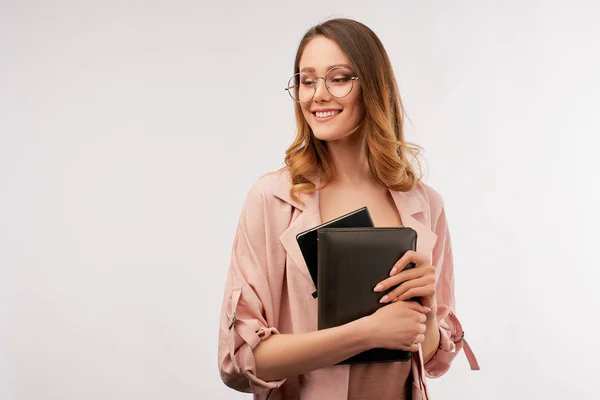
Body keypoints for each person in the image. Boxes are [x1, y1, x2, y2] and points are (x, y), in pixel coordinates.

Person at [217, 18, 479, 400]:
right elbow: (240, 361)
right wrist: (366, 332)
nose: (317, 95)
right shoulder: (272, 199)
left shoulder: (425, 204)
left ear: (373, 87)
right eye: (307, 80)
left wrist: (425, 312)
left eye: (338, 78)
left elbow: (431, 361)